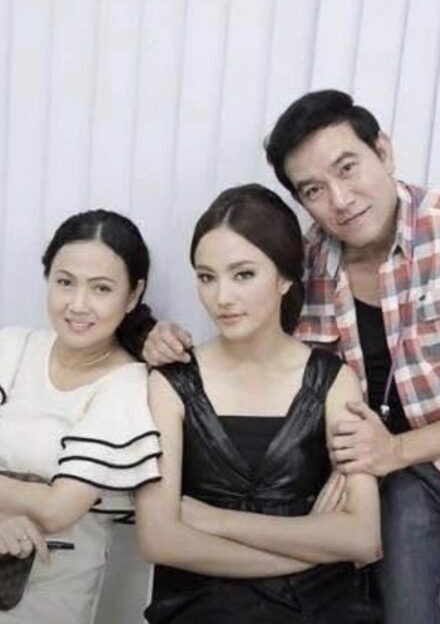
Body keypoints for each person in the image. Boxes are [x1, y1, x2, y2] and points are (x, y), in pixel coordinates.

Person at [143, 90, 440, 624]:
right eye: (313, 189)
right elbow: (260, 348)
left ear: (383, 151)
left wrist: (394, 450)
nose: (340, 199)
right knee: (402, 610)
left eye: (347, 167)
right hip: (394, 475)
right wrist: (155, 337)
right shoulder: (304, 263)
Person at [136, 184, 381, 624]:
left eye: (243, 274)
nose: (222, 298)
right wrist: (311, 544)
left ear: (285, 278)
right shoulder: (171, 382)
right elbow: (159, 539)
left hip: (321, 609)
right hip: (199, 610)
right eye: (206, 277)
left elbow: (363, 537)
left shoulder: (334, 381)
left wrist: (214, 520)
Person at [0, 209, 161, 624]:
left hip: (43, 600)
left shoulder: (128, 387)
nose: (78, 304)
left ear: (133, 295)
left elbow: (57, 509)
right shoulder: (11, 349)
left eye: (101, 288)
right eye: (65, 282)